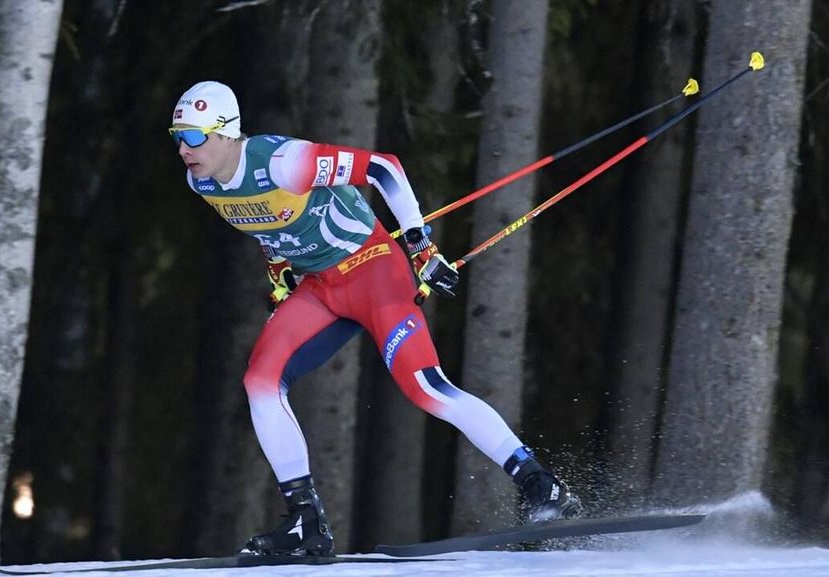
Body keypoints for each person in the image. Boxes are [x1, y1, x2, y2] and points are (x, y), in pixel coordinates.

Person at [170, 80, 580, 556]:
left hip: (373, 271)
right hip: (320, 287)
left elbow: (385, 167)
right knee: (260, 379)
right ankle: (306, 522)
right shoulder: (200, 180)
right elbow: (265, 222)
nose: (184, 149)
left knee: (425, 387)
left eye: (195, 136)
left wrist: (420, 247)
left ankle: (540, 484)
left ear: (226, 133)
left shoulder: (285, 162)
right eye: (177, 137)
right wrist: (279, 270)